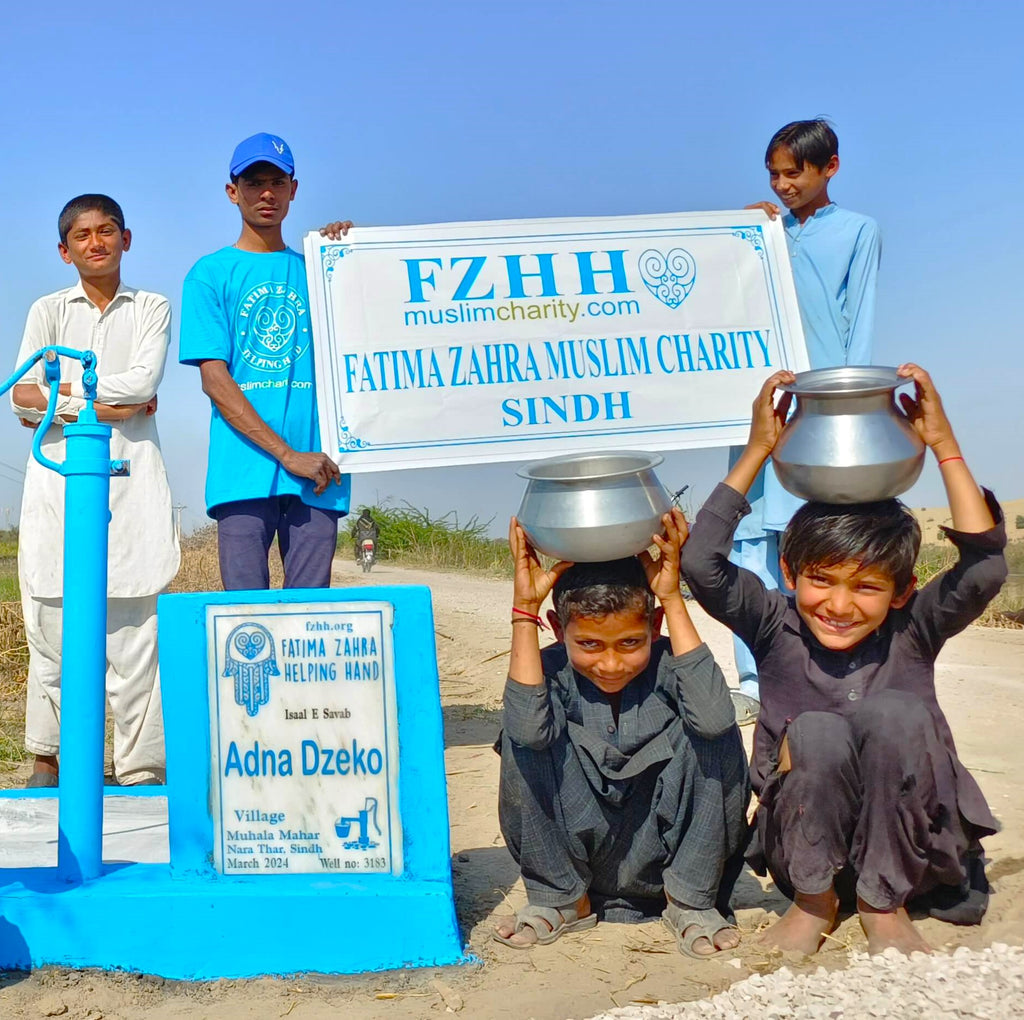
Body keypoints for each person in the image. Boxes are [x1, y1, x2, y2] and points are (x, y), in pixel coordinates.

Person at [681, 365, 1007, 955]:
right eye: (821, 580)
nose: (838, 604)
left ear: (903, 590)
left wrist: (942, 445)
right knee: (818, 734)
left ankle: (884, 905)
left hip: (915, 854)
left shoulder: (914, 630)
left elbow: (983, 569)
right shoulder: (773, 624)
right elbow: (701, 563)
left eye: (866, 588)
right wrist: (759, 450)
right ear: (788, 574)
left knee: (894, 717)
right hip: (806, 850)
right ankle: (815, 905)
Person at [493, 510, 749, 956]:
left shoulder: (672, 664)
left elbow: (712, 717)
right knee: (522, 733)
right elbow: (527, 731)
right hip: (579, 858)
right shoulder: (548, 671)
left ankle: (689, 901)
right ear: (558, 631)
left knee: (716, 729)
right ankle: (561, 899)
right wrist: (524, 611)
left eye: (630, 643)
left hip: (668, 857)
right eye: (589, 645)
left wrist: (670, 598)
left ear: (653, 629)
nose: (611, 664)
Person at [11, 194, 179, 787]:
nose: (95, 242)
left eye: (107, 231)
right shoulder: (48, 310)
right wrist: (109, 408)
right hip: (57, 489)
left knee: (136, 642)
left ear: (126, 240)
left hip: (131, 490)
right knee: (53, 636)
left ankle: (139, 771)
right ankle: (47, 760)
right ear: (65, 250)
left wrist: (63, 401)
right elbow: (20, 394)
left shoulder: (151, 307)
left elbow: (144, 380)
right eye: (82, 235)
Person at [729, 119, 883, 724]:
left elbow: (858, 320)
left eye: (795, 172)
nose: (783, 184)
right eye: (775, 173)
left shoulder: (859, 231)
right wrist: (740, 237)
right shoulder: (761, 232)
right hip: (764, 405)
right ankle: (749, 677)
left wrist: (849, 403)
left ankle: (813, 671)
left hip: (821, 409)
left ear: (830, 169)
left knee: (808, 536)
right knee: (748, 540)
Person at [179, 132, 352, 590]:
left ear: (294, 189)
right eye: (255, 183)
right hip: (243, 472)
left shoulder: (321, 270)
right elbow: (215, 380)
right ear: (233, 192)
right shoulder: (209, 274)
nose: (268, 194)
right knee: (244, 624)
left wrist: (350, 256)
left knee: (311, 623)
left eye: (278, 181)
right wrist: (286, 455)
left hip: (320, 471)